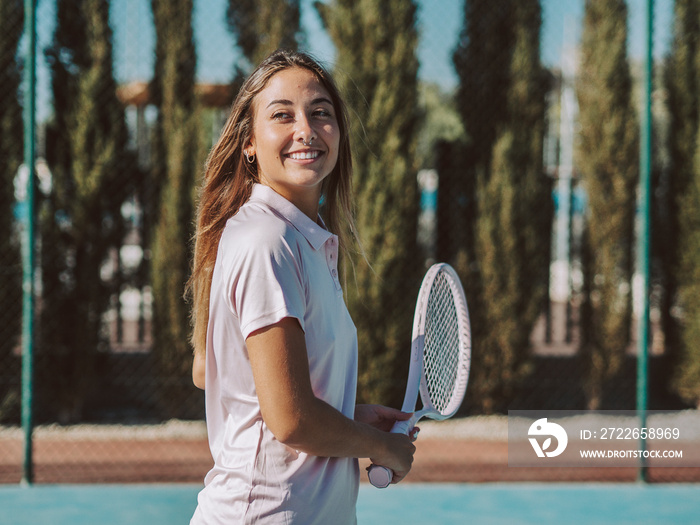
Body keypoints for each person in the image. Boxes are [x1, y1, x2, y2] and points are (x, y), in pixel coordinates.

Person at [187, 49, 416, 525]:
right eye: (282, 116)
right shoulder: (267, 240)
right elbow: (290, 418)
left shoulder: (298, 239)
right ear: (249, 142)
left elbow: (219, 376)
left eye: (320, 114)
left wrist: (346, 414)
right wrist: (380, 447)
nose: (306, 130)